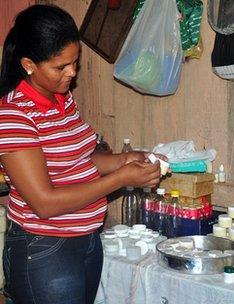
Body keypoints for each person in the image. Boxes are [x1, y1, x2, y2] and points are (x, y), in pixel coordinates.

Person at [0, 4, 163, 304]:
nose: (72, 73)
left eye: (74, 62)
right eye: (60, 67)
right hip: (45, 249)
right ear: (28, 64)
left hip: (86, 241)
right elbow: (45, 203)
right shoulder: (14, 116)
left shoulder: (63, 99)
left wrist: (125, 160)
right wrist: (119, 178)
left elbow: (81, 159)